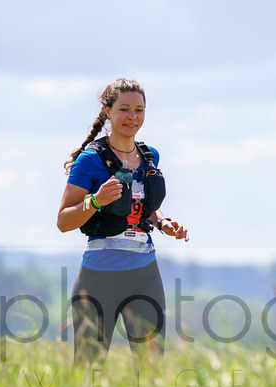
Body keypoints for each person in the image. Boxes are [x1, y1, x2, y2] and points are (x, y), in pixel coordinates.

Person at [57, 78, 188, 365]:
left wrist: (165, 223)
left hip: (144, 273)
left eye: (139, 110)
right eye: (124, 109)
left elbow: (146, 208)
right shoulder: (89, 161)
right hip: (99, 275)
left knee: (151, 366)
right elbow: (64, 221)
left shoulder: (149, 156)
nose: (133, 117)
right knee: (88, 369)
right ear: (108, 110)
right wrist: (95, 200)